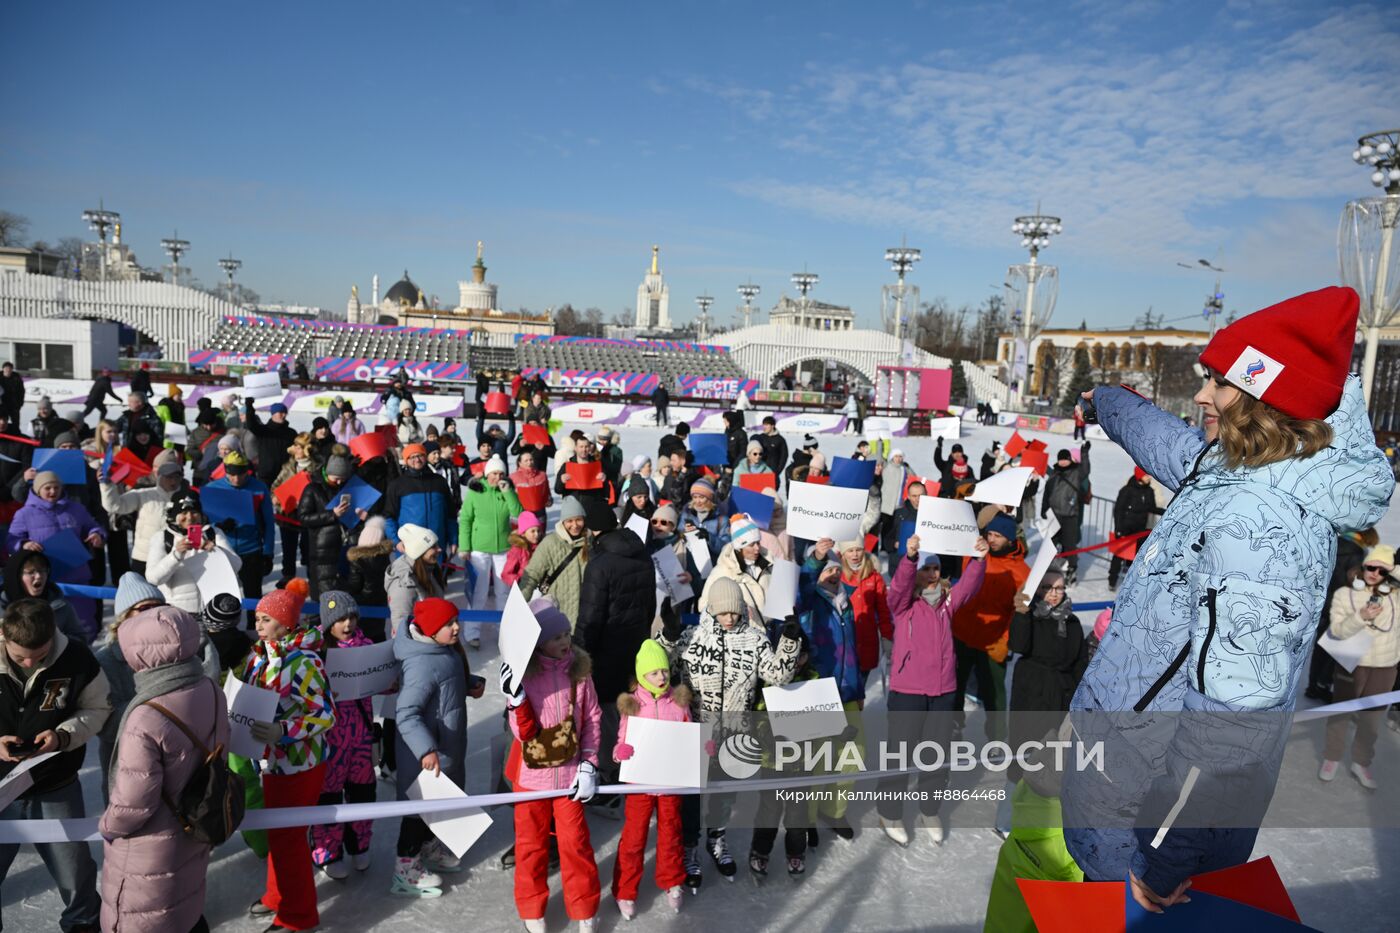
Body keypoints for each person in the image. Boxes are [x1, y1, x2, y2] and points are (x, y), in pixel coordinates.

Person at [1062, 286, 1394, 913]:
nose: (1201, 396)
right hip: (1128, 786)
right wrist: (1106, 402)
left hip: (1145, 835)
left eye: (1217, 383)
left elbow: (1229, 728)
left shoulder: (1259, 520)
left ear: (1265, 396)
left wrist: (1161, 861)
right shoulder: (1243, 469)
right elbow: (1173, 446)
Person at [657, 578, 801, 886]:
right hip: (697, 731)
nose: (729, 618)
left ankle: (716, 838)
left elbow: (777, 676)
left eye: (734, 613)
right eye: (723, 613)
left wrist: (789, 640)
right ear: (712, 608)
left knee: (724, 794)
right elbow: (657, 664)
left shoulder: (755, 638)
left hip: (736, 733)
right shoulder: (692, 637)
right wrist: (669, 635)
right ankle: (691, 846)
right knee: (693, 796)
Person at [98, 603, 226, 933]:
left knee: (145, 918)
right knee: (185, 908)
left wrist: (109, 825)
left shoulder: (146, 715)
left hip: (148, 849)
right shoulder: (210, 687)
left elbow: (134, 803)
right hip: (193, 826)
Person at [0, 597, 110, 933]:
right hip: (1, 787)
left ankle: (82, 923)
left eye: (41, 655)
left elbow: (98, 709)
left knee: (73, 869)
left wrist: (63, 736)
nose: (31, 662)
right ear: (4, 635)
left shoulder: (77, 657)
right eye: (21, 657)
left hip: (55, 783)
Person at [877, 534, 987, 846]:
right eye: (926, 569)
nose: (932, 574)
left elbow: (968, 586)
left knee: (936, 755)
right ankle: (889, 811)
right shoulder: (903, 604)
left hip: (943, 692)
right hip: (908, 691)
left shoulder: (947, 603)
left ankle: (930, 809)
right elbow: (898, 586)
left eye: (935, 568)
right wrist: (910, 558)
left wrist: (979, 560)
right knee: (899, 756)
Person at [238, 580, 336, 932]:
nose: (258, 625)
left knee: (289, 839)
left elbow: (326, 715)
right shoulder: (261, 654)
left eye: (266, 619)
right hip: (269, 760)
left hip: (300, 764)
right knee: (276, 833)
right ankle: (276, 895)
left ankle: (298, 917)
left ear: (286, 623)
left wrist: (283, 731)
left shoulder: (304, 662)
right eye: (257, 618)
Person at [500, 598, 603, 932]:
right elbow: (523, 732)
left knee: (576, 844)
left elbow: (592, 719)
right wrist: (515, 700)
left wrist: (589, 763)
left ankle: (584, 908)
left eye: (566, 635)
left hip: (570, 776)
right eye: (556, 637)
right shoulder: (525, 677)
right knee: (531, 847)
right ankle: (532, 910)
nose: (565, 642)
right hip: (531, 779)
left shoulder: (580, 672)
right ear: (538, 642)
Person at [391, 596, 483, 897]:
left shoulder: (442, 650)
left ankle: (429, 848)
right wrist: (425, 749)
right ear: (430, 630)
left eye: (456, 621)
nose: (457, 628)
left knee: (436, 808)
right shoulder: (421, 664)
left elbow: (446, 681)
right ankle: (406, 868)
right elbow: (407, 713)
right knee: (416, 814)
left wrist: (468, 683)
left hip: (444, 748)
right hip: (422, 757)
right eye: (449, 624)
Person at [574, 505, 656, 787]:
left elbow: (590, 616)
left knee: (606, 717)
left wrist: (579, 654)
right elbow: (650, 606)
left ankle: (610, 779)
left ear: (594, 530)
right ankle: (631, 770)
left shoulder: (601, 564)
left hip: (606, 652)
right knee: (630, 712)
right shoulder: (642, 553)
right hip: (635, 648)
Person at [611, 640, 690, 918]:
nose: (662, 677)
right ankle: (624, 890)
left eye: (665, 672)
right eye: (654, 673)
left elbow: (687, 735)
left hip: (669, 783)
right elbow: (622, 739)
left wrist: (701, 748)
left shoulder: (679, 703)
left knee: (671, 833)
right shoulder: (632, 706)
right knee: (634, 838)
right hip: (640, 784)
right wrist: (620, 751)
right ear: (642, 675)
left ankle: (672, 881)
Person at [312, 592, 378, 879]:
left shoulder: (367, 645)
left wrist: (388, 681)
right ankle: (329, 852)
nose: (347, 624)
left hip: (361, 737)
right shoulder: (316, 650)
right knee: (328, 797)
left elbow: (381, 683)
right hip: (330, 739)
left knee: (362, 793)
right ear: (328, 623)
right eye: (340, 619)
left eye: (351, 617)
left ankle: (359, 845)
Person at [1320, 546, 1398, 789]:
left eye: (1381, 570)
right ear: (1363, 566)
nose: (1374, 573)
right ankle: (1331, 757)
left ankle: (1361, 761)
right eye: (1370, 567)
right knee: (1340, 714)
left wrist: (1394, 573)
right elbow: (1338, 630)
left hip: (1385, 667)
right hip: (1351, 663)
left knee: (1371, 720)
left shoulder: (1395, 595)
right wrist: (1361, 616)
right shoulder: (1345, 593)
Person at [951, 511, 1028, 742]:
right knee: (954, 686)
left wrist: (1005, 640)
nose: (992, 539)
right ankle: (954, 726)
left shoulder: (1022, 571)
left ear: (1011, 539)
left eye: (998, 536)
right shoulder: (975, 554)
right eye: (990, 533)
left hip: (992, 642)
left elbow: (1019, 613)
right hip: (961, 633)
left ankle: (996, 738)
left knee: (994, 694)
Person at [8, 469, 106, 641]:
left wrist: (97, 534)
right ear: (38, 489)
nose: (53, 492)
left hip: (77, 576)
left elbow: (92, 525)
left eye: (56, 487)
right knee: (50, 626)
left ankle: (85, 656)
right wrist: (24, 545)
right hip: (45, 580)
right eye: (47, 488)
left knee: (84, 623)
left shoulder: (76, 508)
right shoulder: (24, 513)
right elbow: (11, 540)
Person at [1008, 571, 1086, 756]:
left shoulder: (1073, 622)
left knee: (1055, 753)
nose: (1053, 593)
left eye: (1059, 588)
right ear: (1038, 590)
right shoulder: (1029, 615)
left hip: (1062, 694)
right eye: (1047, 587)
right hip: (1032, 691)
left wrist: (1077, 698)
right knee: (1027, 746)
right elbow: (1018, 645)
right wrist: (1021, 614)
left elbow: (1080, 663)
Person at [459, 456, 522, 647]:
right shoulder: (475, 491)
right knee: (479, 591)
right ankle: (472, 633)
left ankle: (504, 631)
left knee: (504, 591)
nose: (498, 477)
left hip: (503, 548)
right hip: (479, 548)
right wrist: (464, 546)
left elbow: (519, 514)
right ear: (487, 474)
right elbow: (466, 520)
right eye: (494, 473)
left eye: (501, 473)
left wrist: (509, 493)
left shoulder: (507, 491)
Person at [145, 491, 241, 614]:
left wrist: (216, 551)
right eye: (184, 512)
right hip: (177, 612)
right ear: (174, 515)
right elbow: (154, 579)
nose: (190, 517)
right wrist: (175, 555)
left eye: (194, 512)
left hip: (212, 609)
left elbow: (236, 566)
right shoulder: (162, 538)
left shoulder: (214, 533)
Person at [204, 452, 275, 612]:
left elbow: (269, 522)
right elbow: (204, 522)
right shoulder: (213, 488)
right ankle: (225, 631)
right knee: (223, 597)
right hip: (222, 550)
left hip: (251, 549)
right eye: (232, 475)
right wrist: (218, 525)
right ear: (225, 472)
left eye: (241, 475)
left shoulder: (258, 487)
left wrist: (268, 552)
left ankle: (254, 628)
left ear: (247, 472)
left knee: (253, 596)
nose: (236, 479)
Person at [101, 459, 186, 577]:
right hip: (143, 556)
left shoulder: (187, 499)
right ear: (159, 477)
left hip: (174, 556)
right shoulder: (143, 494)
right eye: (169, 477)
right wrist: (107, 485)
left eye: (177, 477)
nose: (173, 481)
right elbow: (115, 506)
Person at [519, 497, 590, 629]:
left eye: (578, 520)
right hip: (558, 614)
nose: (574, 525)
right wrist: (519, 605)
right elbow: (532, 575)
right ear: (563, 522)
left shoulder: (590, 542)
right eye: (569, 521)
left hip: (584, 616)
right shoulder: (550, 543)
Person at [297, 453, 359, 598]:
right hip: (321, 550)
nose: (339, 482)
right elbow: (303, 517)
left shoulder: (347, 488)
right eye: (336, 478)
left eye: (342, 479)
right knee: (322, 594)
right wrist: (332, 514)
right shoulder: (312, 489)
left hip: (344, 547)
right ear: (327, 473)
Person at [382, 444, 452, 563]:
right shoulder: (397, 485)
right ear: (406, 460)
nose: (417, 460)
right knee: (412, 581)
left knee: (436, 581)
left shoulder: (439, 482)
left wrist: (453, 540)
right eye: (412, 457)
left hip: (436, 547)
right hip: (410, 548)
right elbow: (388, 517)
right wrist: (396, 541)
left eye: (420, 455)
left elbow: (450, 515)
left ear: (425, 457)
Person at [1, 550, 85, 641]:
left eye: (42, 570)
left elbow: (81, 640)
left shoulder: (61, 606)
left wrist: (55, 642)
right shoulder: (2, 607)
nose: (38, 576)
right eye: (30, 572)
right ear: (16, 576)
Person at [1040, 443, 1091, 584]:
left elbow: (1086, 470)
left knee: (1070, 545)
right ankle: (1047, 568)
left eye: (1065, 459)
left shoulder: (1076, 473)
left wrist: (1085, 454)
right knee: (1051, 543)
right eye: (1061, 459)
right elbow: (1047, 493)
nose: (1063, 462)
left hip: (1070, 516)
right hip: (1054, 515)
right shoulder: (1054, 474)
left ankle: (1072, 570)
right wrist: (1043, 509)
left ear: (1070, 460)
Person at [385, 524, 446, 639]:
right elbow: (400, 627)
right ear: (419, 551)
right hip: (417, 649)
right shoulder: (403, 583)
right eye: (433, 546)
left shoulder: (429, 569)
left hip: (432, 641)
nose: (439, 549)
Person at [1108, 467, 1158, 591]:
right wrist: (1118, 528)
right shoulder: (1127, 491)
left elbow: (1152, 507)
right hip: (1125, 529)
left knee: (1138, 556)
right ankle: (1112, 580)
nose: (1149, 478)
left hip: (1140, 529)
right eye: (1146, 476)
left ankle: (1132, 582)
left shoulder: (1149, 491)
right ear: (1140, 476)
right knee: (1119, 555)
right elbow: (1118, 510)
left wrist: (1167, 512)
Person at [346, 516, 393, 639]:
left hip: (362, 607)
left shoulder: (358, 561)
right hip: (380, 606)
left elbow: (354, 586)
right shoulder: (385, 559)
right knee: (378, 634)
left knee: (362, 638)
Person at [243, 400, 298, 490]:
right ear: (273, 414)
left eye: (285, 413)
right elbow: (251, 424)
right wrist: (249, 406)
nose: (283, 415)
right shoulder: (264, 430)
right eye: (280, 413)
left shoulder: (291, 433)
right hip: (266, 475)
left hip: (285, 474)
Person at [502, 511, 543, 589]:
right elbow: (506, 574)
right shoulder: (517, 550)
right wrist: (520, 581)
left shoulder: (541, 547)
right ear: (523, 533)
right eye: (533, 531)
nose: (537, 534)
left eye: (538, 531)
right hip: (523, 588)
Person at [751, 415, 788, 484]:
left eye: (766, 425)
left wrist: (777, 471)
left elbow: (784, 457)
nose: (764, 427)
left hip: (773, 473)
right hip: (759, 471)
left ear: (772, 426)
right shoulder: (761, 437)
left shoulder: (780, 440)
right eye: (763, 425)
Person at [155, 385, 187, 450]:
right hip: (169, 430)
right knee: (168, 450)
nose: (180, 397)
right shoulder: (164, 406)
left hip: (179, 430)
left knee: (179, 450)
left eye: (181, 395)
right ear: (173, 395)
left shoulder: (180, 405)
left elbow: (182, 419)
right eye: (178, 395)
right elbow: (160, 420)